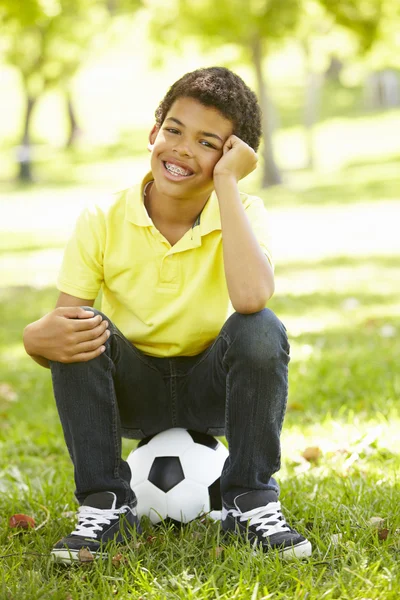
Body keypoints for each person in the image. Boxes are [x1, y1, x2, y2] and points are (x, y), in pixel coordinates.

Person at [23, 67, 312, 563]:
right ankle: (105, 504)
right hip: (132, 393)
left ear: (230, 157)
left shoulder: (244, 211)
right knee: (80, 327)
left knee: (260, 328)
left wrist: (225, 185)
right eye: (174, 130)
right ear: (154, 132)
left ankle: (249, 499)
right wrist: (34, 339)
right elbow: (61, 334)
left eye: (207, 143)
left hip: (212, 391)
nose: (181, 149)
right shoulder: (102, 218)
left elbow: (249, 299)